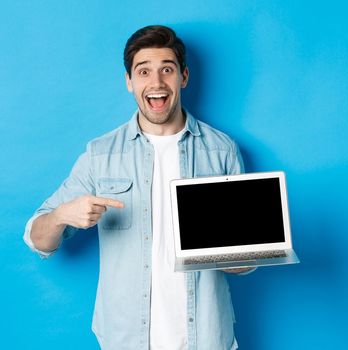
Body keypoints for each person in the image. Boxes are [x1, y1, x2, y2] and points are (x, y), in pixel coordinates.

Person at [23, 25, 252, 349]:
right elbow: (36, 239)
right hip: (124, 339)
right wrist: (62, 215)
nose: (156, 83)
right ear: (129, 81)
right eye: (143, 71)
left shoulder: (221, 150)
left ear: (183, 77)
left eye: (167, 70)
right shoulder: (100, 155)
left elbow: (244, 262)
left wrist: (243, 252)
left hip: (207, 337)